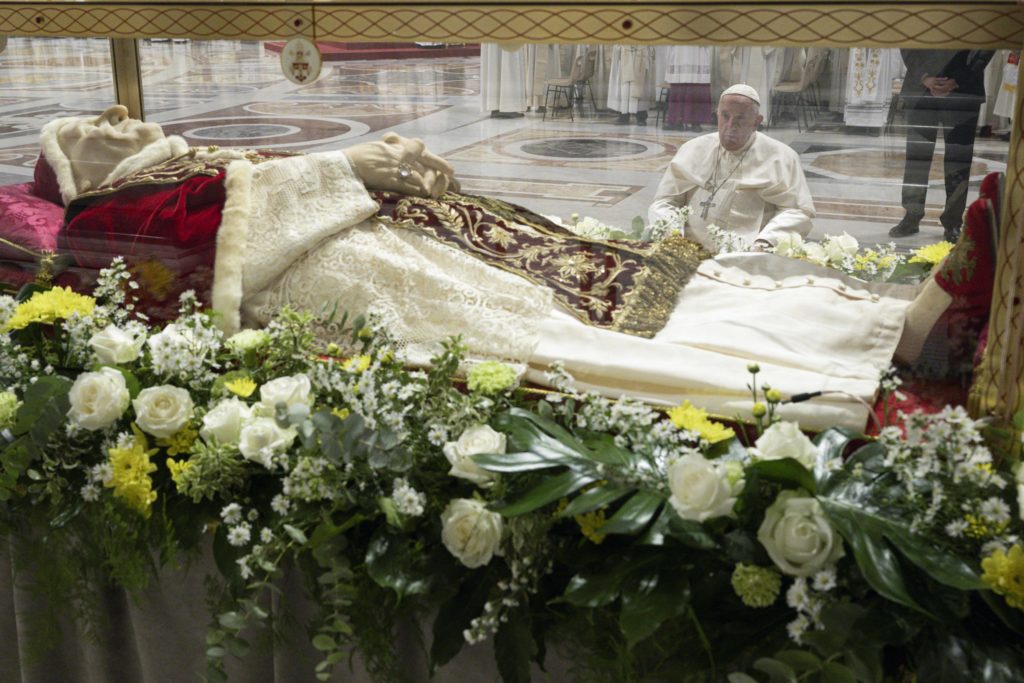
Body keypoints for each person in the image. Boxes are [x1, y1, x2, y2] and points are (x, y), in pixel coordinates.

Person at [37, 105, 969, 433]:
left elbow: (250, 187)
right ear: (75, 167)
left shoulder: (165, 164)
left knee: (639, 278)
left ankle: (888, 321)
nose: (120, 116)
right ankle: (848, 363)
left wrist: (390, 167)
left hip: (399, 229)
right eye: (92, 129)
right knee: (559, 339)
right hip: (350, 273)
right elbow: (208, 245)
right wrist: (346, 168)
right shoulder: (106, 211)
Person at [648, 84, 815, 252]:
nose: (730, 125)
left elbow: (797, 212)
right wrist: (673, 235)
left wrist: (765, 242)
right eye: (725, 116)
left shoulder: (781, 157)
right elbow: (665, 201)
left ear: (757, 122)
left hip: (746, 254)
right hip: (687, 249)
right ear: (717, 115)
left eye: (740, 118)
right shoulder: (694, 148)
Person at [889, 49, 995, 243]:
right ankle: (912, 215)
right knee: (917, 158)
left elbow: (984, 47)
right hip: (920, 89)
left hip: (964, 90)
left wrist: (957, 79)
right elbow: (907, 40)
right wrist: (925, 76)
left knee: (958, 160)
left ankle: (953, 221)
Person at [607, 46, 656, 125]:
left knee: (640, 86)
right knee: (625, 86)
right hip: (626, 50)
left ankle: (641, 116)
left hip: (641, 49)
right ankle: (623, 114)